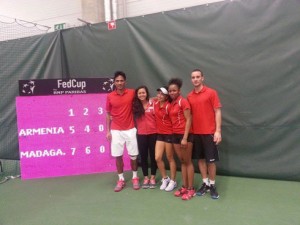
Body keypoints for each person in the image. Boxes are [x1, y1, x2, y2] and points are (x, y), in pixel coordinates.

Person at [187, 69, 222, 199]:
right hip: (196, 134)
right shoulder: (189, 96)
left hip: (209, 133)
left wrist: (218, 130)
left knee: (210, 162)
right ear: (191, 80)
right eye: (193, 77)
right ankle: (205, 183)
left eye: (197, 77)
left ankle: (212, 185)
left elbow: (217, 111)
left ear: (202, 78)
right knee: (201, 160)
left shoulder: (211, 93)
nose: (195, 79)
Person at [106, 71, 140, 192]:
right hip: (116, 130)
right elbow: (108, 113)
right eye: (117, 81)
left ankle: (135, 178)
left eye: (121, 80)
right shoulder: (110, 96)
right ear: (114, 82)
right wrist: (108, 130)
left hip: (130, 129)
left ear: (125, 81)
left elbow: (143, 99)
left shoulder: (132, 93)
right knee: (118, 156)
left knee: (133, 156)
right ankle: (121, 179)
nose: (119, 83)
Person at [168, 78, 195, 200]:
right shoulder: (172, 103)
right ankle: (184, 186)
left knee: (188, 162)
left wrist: (184, 138)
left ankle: (191, 189)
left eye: (174, 90)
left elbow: (189, 119)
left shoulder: (183, 102)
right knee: (183, 162)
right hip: (175, 135)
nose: (172, 92)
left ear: (179, 91)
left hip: (185, 136)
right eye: (170, 91)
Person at [133, 85, 158, 189]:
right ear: (137, 95)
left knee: (153, 156)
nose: (142, 94)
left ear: (147, 93)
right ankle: (146, 177)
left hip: (153, 134)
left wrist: (154, 98)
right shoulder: (135, 106)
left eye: (143, 92)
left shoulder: (153, 103)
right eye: (139, 93)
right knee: (143, 157)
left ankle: (152, 177)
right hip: (141, 135)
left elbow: (160, 98)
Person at [154, 87, 177, 192]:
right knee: (158, 158)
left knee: (170, 158)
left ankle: (173, 181)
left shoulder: (169, 106)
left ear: (167, 96)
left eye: (162, 94)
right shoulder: (155, 103)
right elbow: (150, 99)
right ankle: (165, 179)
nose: (159, 95)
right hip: (160, 135)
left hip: (169, 134)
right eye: (158, 93)